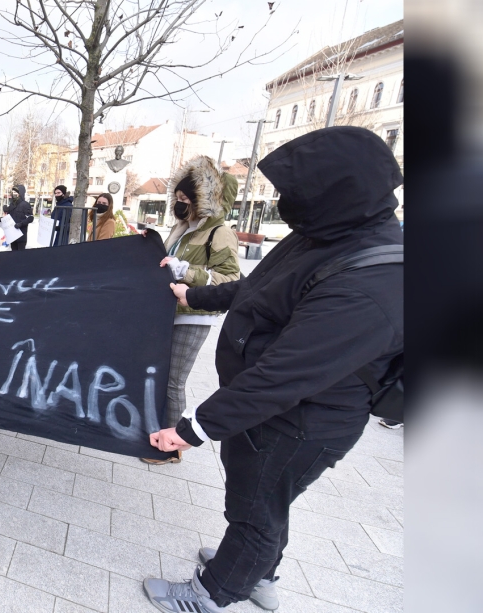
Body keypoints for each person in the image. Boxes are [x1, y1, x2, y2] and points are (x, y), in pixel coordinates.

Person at [143, 127, 403, 613]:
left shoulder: (372, 278)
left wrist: (193, 429)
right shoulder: (326, 234)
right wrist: (194, 295)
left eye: (294, 192)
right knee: (262, 500)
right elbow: (256, 288)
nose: (284, 201)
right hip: (274, 409)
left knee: (255, 508)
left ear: (332, 191)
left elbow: (286, 374)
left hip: (303, 419)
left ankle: (212, 593)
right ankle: (255, 571)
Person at [142, 156, 240, 466]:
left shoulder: (219, 232)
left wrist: (186, 271)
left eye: (187, 199)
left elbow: (230, 279)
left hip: (193, 314)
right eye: (179, 198)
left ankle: (172, 447)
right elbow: (165, 262)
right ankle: (157, 432)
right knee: (159, 375)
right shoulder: (182, 227)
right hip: (165, 312)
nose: (181, 204)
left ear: (204, 200)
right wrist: (153, 245)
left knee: (173, 380)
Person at [3, 185, 33, 251]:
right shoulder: (12, 204)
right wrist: (2, 219)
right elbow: (9, 217)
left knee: (20, 256)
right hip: (12, 234)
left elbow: (31, 218)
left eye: (16, 192)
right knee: (13, 253)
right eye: (13, 192)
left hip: (21, 234)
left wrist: (21, 224)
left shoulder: (25, 204)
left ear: (20, 193)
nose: (14, 194)